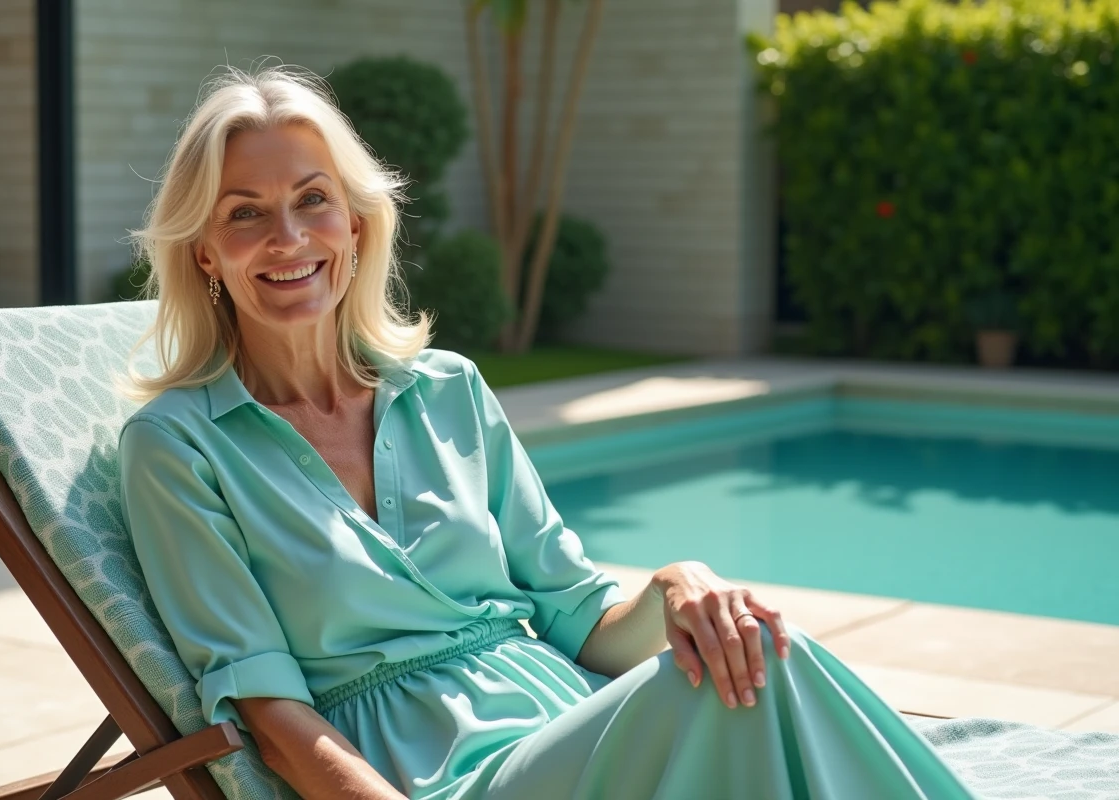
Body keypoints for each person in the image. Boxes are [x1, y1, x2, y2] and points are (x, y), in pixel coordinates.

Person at [118, 66, 973, 800]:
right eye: (244, 215)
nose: (289, 238)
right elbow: (266, 710)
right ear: (203, 253)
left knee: (753, 643)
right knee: (746, 685)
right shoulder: (178, 447)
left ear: (356, 223)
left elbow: (577, 613)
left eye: (314, 201)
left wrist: (680, 587)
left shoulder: (446, 389)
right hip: (441, 773)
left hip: (570, 719)